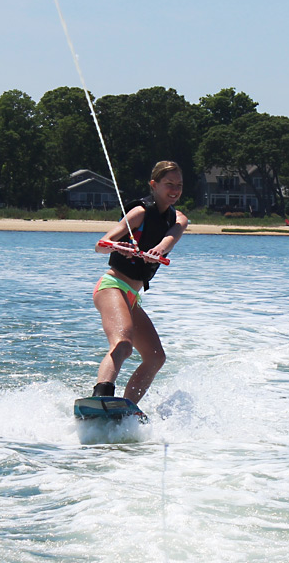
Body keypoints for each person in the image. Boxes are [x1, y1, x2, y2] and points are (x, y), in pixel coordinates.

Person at [91, 160, 188, 404]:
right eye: (169, 184)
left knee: (156, 357)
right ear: (154, 185)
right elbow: (100, 245)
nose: (174, 190)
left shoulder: (179, 219)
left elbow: (169, 241)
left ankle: (127, 408)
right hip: (112, 287)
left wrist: (158, 250)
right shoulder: (140, 213)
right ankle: (101, 397)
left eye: (179, 185)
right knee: (123, 344)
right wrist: (117, 245)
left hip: (132, 297)